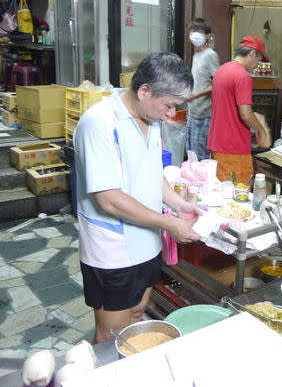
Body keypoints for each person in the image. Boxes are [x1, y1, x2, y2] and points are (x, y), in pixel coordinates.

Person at [73, 52, 202, 343]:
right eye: (169, 105)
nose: (172, 114)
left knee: (136, 314)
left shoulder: (151, 119)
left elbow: (151, 173)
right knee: (111, 334)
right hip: (113, 249)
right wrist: (170, 225)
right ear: (145, 91)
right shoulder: (99, 123)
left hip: (146, 242)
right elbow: (108, 199)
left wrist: (179, 205)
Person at [207, 35, 269, 181]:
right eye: (259, 60)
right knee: (237, 196)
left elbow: (228, 107)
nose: (258, 64)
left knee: (221, 192)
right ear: (253, 54)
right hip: (233, 147)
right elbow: (245, 114)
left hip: (217, 143)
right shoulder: (243, 76)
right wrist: (261, 129)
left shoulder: (222, 70)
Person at [185, 18, 220, 159]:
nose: (195, 35)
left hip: (204, 113)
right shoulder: (196, 55)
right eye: (193, 31)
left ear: (208, 35)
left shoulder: (210, 55)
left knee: (200, 154)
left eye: (200, 32)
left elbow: (218, 83)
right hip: (193, 110)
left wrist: (197, 94)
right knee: (191, 152)